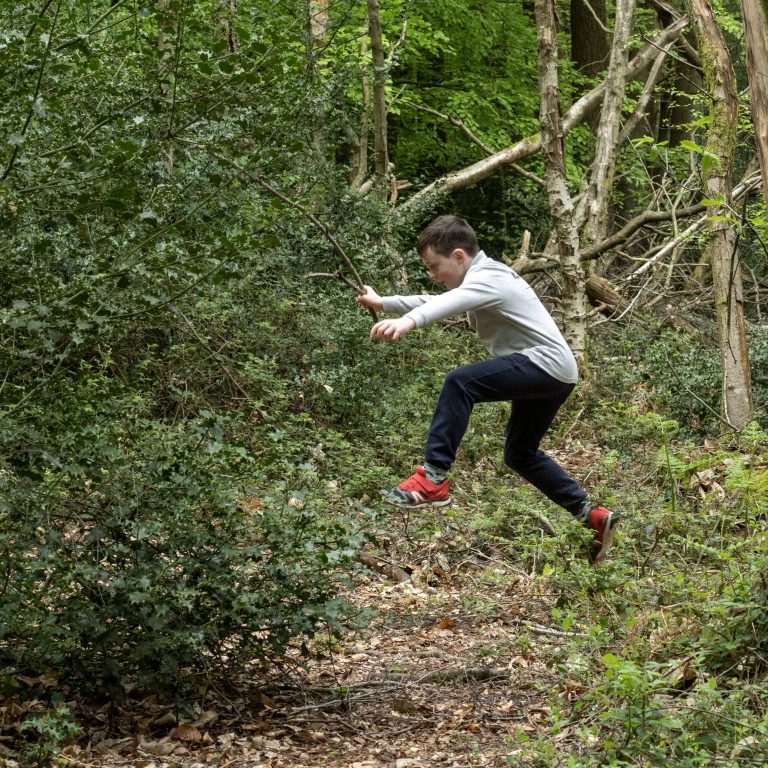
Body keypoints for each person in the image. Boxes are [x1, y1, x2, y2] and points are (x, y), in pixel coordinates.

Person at [356, 215, 618, 563]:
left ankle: (432, 478)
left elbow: (442, 305)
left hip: (544, 364)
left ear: (460, 256)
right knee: (520, 454)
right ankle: (592, 515)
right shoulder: (480, 279)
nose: (434, 275)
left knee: (460, 382)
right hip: (556, 373)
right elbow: (435, 299)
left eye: (436, 266)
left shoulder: (489, 277)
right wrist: (384, 303)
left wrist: (406, 322)